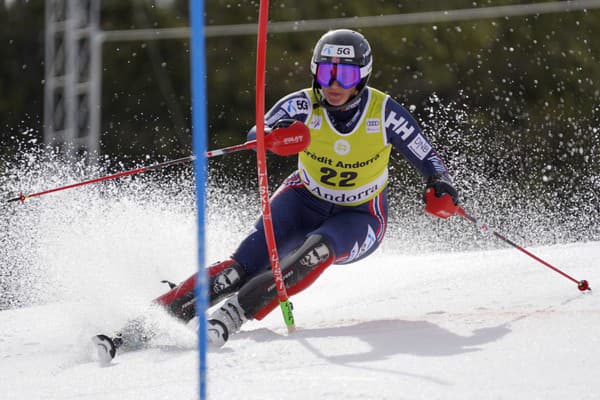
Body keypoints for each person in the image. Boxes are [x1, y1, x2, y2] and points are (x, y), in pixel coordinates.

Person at [123, 29, 459, 350]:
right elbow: (258, 132)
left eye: (346, 77)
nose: (334, 85)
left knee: (316, 250)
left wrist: (439, 184)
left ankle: (232, 315)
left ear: (363, 78)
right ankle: (147, 323)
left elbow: (428, 156)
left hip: (359, 215)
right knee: (235, 271)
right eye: (327, 73)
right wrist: (272, 136)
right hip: (301, 200)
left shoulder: (383, 112)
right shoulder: (302, 104)